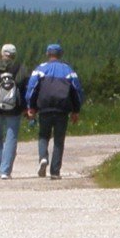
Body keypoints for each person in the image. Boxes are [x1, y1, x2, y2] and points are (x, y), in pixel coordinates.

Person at [24, 42, 84, 179]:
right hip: (62, 108)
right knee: (59, 139)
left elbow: (31, 89)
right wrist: (76, 110)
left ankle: (43, 158)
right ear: (60, 54)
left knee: (43, 135)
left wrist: (31, 107)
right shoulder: (68, 70)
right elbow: (77, 91)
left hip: (44, 107)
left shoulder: (40, 69)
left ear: (47, 54)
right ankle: (55, 171)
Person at [0, 43, 27, 178]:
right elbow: (25, 88)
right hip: (14, 108)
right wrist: (25, 107)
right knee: (11, 137)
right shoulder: (21, 68)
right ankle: (5, 171)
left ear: (2, 53)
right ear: (13, 55)